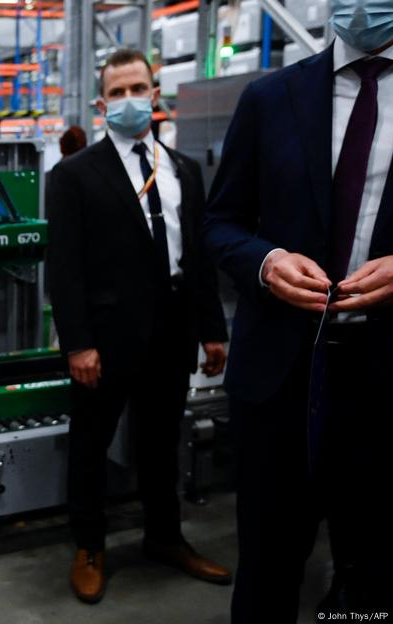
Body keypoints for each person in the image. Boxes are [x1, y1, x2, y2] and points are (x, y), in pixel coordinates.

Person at [203, 0, 393, 618]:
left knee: (374, 574)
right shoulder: (270, 98)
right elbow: (221, 222)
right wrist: (265, 261)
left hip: (383, 376)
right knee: (268, 567)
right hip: (281, 377)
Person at [46, 48, 232, 605]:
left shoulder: (184, 171)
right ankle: (89, 546)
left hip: (172, 332)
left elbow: (197, 257)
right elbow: (65, 268)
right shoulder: (74, 175)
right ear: (102, 103)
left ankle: (165, 536)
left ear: (155, 94)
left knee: (160, 442)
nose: (129, 100)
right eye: (117, 92)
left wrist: (212, 329)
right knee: (91, 445)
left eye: (137, 89)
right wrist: (78, 344)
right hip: (104, 340)